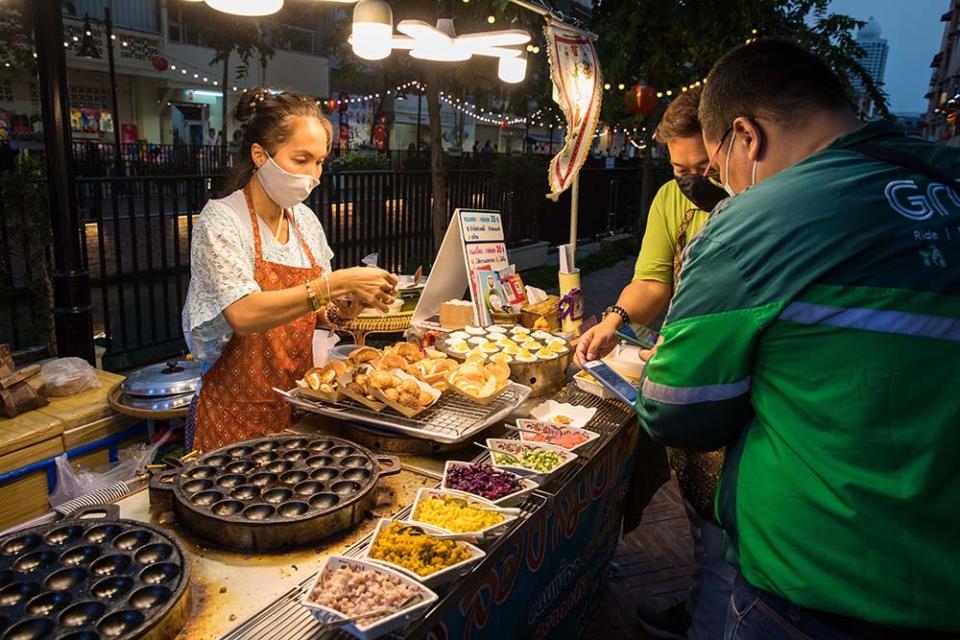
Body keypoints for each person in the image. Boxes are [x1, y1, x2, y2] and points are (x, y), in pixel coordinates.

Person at [636, 38, 960, 639]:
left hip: (819, 582)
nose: (721, 187)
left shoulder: (761, 220)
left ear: (746, 136)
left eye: (717, 165)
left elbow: (676, 409)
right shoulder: (943, 174)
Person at [576, 87, 732, 640]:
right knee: (701, 520)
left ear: (730, 147)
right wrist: (614, 318)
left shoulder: (754, 204)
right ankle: (702, 608)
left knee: (723, 531)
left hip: (729, 378)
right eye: (678, 166)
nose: (692, 180)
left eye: (702, 166)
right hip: (682, 364)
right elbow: (653, 282)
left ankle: (712, 620)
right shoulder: (670, 199)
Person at [183, 88, 398, 452]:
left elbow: (315, 314)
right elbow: (243, 312)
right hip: (236, 416)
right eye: (301, 159)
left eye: (319, 162)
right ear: (260, 155)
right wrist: (332, 283)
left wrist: (345, 307)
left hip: (301, 406)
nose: (312, 175)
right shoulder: (221, 220)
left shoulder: (305, 223)